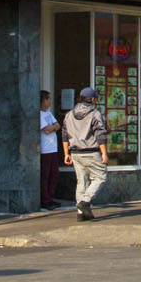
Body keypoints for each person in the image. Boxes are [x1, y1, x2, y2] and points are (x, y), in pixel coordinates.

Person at [62, 86, 110, 222]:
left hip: (75, 153)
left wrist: (66, 153)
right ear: (92, 99)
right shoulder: (94, 113)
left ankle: (80, 214)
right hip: (91, 152)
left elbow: (64, 135)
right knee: (100, 177)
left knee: (81, 181)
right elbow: (100, 134)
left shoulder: (69, 114)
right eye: (95, 98)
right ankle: (85, 202)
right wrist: (104, 153)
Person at [37, 90, 62, 211]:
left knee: (54, 173)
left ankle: (50, 197)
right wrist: (52, 128)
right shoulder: (39, 114)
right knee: (45, 175)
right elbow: (46, 129)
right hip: (44, 149)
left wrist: (52, 128)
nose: (50, 101)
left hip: (53, 148)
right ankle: (44, 199)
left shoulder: (48, 113)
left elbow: (58, 125)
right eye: (48, 99)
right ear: (42, 101)